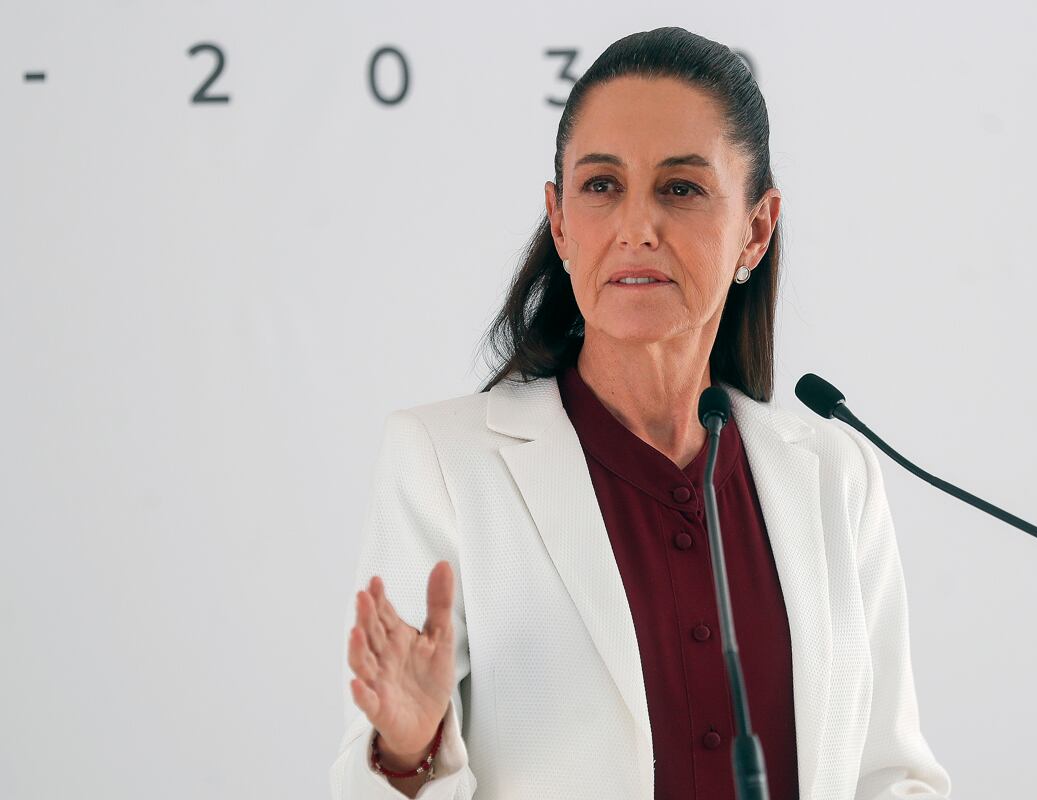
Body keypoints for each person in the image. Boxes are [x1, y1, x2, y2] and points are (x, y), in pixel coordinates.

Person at [329, 26, 952, 800]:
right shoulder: (443, 463)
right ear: (560, 222)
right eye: (601, 186)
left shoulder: (834, 473)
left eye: (680, 188)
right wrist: (411, 748)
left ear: (755, 229)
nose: (636, 228)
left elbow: (891, 774)